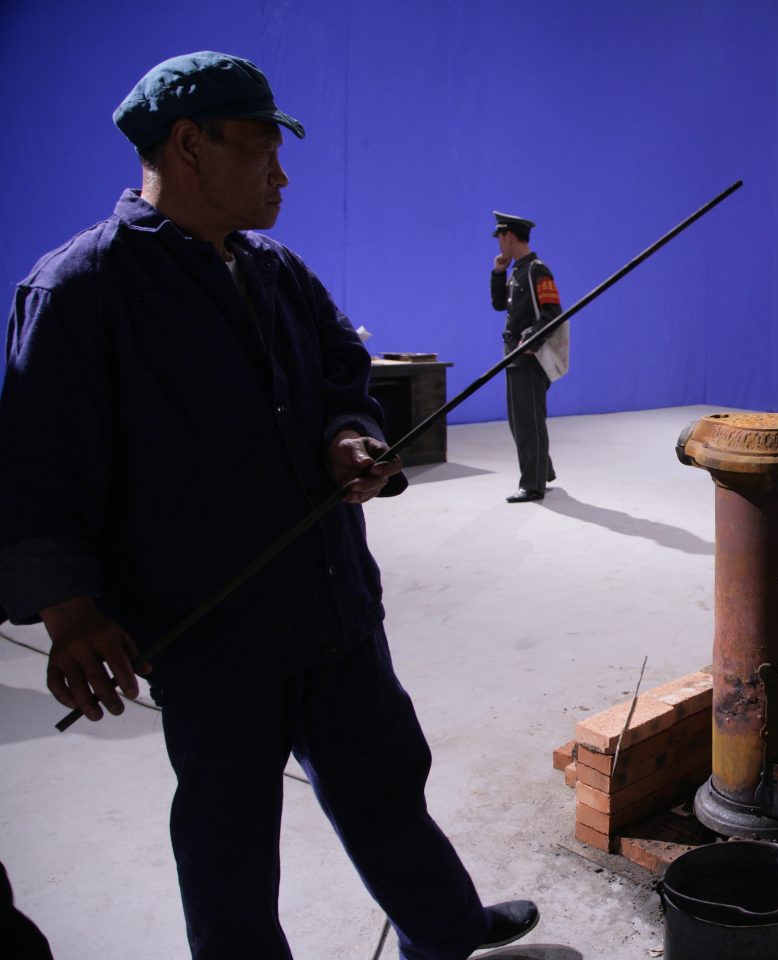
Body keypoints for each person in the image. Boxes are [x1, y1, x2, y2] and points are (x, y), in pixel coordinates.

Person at [0, 52, 537, 959]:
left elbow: (341, 374)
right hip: (213, 637)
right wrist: (71, 613)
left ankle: (445, 931)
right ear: (189, 145)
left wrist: (348, 438)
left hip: (332, 603)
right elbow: (36, 469)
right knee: (231, 846)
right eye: (262, 148)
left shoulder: (276, 269)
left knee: (385, 784)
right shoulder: (80, 290)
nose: (281, 175)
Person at [490, 211, 567, 503]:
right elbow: (499, 305)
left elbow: (552, 312)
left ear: (509, 236)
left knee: (528, 422)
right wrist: (498, 273)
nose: (499, 245)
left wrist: (532, 339)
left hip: (530, 356)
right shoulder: (517, 271)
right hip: (514, 355)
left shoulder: (537, 270)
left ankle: (532, 485)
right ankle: (542, 471)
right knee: (520, 420)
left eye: (500, 238)